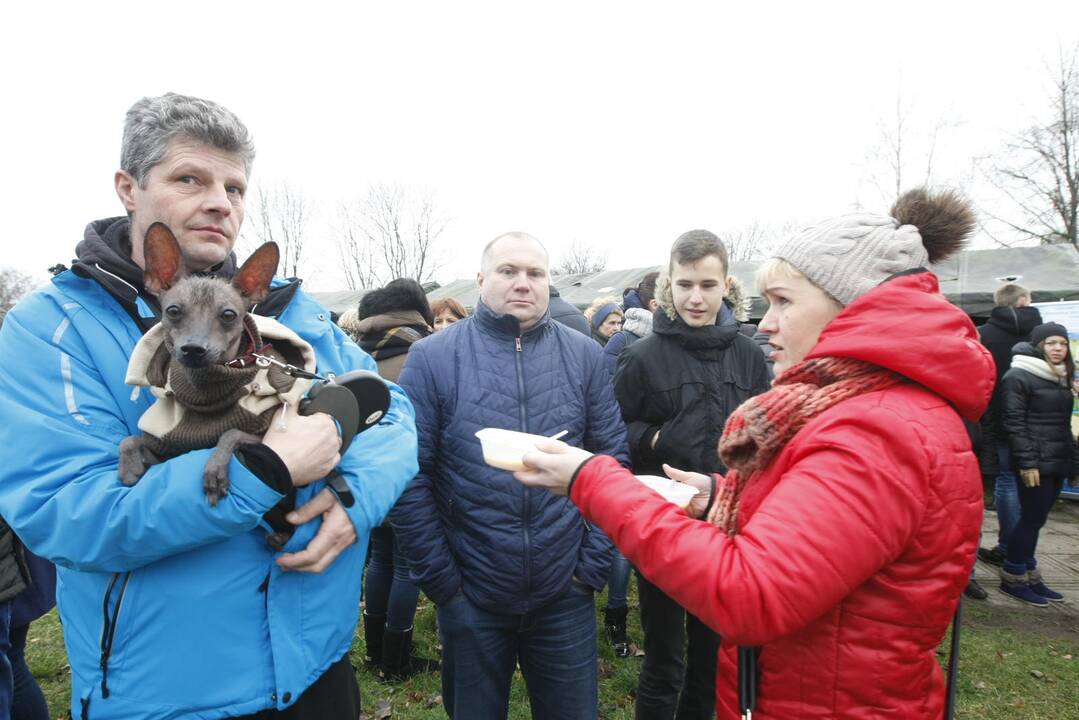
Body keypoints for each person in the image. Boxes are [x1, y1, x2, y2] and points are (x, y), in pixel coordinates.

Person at [0, 93, 419, 720]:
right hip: (166, 692)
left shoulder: (290, 313)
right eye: (189, 178)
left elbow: (393, 410)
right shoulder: (54, 327)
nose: (220, 201)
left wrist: (353, 494)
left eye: (235, 186)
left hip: (315, 670)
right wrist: (265, 471)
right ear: (128, 188)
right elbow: (66, 512)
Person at [513, 188, 994, 718]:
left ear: (853, 306)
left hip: (831, 700)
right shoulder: (866, 408)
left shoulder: (875, 431)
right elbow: (822, 525)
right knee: (668, 660)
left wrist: (591, 479)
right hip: (818, 684)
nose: (765, 323)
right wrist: (717, 495)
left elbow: (752, 593)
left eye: (784, 301)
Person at [391, 231, 629, 720]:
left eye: (535, 273)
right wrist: (444, 584)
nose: (523, 284)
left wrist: (591, 569)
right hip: (471, 590)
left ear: (548, 282)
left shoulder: (584, 356)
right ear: (481, 280)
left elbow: (612, 461)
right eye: (508, 271)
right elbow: (410, 475)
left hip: (565, 589)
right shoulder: (435, 358)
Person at [614, 230, 770, 720]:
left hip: (728, 519)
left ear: (726, 284)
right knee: (664, 656)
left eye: (707, 284)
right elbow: (615, 427)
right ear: (668, 284)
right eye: (685, 284)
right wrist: (652, 440)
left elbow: (766, 432)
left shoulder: (749, 355)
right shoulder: (641, 356)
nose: (695, 298)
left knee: (711, 653)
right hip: (664, 519)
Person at [355, 279, 439, 679]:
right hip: (409, 474)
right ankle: (396, 660)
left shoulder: (355, 348)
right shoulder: (422, 352)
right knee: (407, 567)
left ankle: (374, 654)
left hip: (366, 474)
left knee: (381, 559)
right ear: (418, 310)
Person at [997, 322, 1078, 606]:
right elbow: (1014, 423)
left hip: (1056, 458)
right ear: (1039, 345)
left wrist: (1074, 462)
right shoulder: (1018, 376)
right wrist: (1027, 462)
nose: (1058, 349)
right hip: (1034, 461)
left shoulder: (1061, 378)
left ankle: (1030, 573)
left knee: (1038, 519)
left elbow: (1063, 425)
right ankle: (1013, 575)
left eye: (1063, 343)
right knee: (1031, 519)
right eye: (1051, 343)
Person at [976, 283, 1042, 569]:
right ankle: (1020, 551)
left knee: (1007, 481)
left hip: (997, 417)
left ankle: (1006, 548)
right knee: (1034, 485)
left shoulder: (985, 334)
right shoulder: (1042, 334)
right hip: (1038, 419)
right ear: (1025, 300)